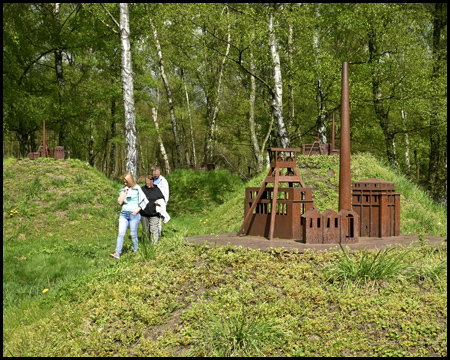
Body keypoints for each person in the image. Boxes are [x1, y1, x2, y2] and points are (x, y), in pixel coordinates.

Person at [109, 173, 149, 259]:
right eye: (124, 182)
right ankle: (117, 253)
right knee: (121, 233)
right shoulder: (123, 189)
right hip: (124, 214)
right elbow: (120, 202)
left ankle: (136, 252)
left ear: (130, 180)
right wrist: (125, 192)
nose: (125, 184)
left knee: (133, 234)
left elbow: (144, 201)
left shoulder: (137, 188)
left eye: (127, 182)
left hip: (134, 214)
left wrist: (136, 211)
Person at [140, 175, 166, 245]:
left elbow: (162, 200)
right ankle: (147, 245)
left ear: (153, 182)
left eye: (149, 182)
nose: (148, 184)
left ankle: (154, 246)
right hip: (144, 214)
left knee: (153, 229)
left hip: (154, 214)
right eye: (146, 182)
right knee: (146, 231)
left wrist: (159, 202)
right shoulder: (142, 189)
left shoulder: (157, 190)